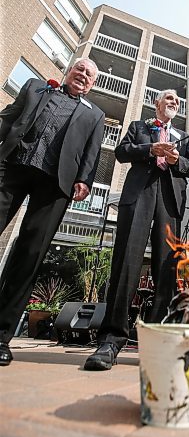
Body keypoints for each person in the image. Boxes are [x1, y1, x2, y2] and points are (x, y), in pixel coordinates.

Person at [0, 57, 105, 366]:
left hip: (55, 184)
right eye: (80, 68)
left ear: (93, 85)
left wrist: (84, 180)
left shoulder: (95, 114)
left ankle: (2, 335)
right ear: (68, 70)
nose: (84, 75)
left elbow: (92, 152)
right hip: (11, 168)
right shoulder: (35, 88)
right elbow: (7, 119)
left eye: (90, 74)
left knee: (30, 254)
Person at [84, 89, 189, 371]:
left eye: (177, 101)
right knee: (126, 262)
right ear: (157, 103)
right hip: (139, 195)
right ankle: (111, 338)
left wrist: (175, 160)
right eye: (169, 99)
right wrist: (150, 150)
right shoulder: (139, 127)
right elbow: (122, 153)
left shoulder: (181, 135)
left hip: (169, 200)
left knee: (166, 268)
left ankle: (159, 341)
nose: (174, 103)